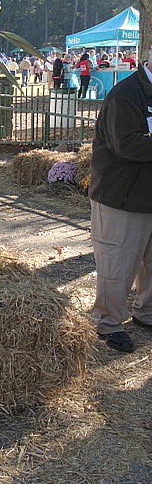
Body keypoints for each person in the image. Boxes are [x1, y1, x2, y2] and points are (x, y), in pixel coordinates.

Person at [89, 49, 152, 353]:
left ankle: (146, 313)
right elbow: (125, 145)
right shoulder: (125, 95)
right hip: (121, 198)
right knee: (117, 265)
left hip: (147, 195)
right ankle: (109, 323)